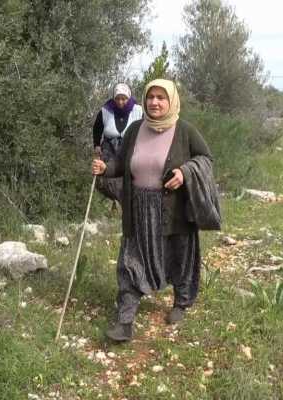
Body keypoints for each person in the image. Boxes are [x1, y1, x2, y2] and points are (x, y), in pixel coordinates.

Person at [91, 79, 219, 342]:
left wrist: (185, 172)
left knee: (180, 256)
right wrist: (106, 168)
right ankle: (125, 321)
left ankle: (181, 302)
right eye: (150, 97)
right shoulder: (136, 129)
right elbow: (121, 163)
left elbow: (206, 159)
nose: (155, 102)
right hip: (138, 209)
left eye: (161, 97)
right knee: (130, 262)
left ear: (172, 101)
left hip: (174, 209)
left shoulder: (185, 130)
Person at [92, 83, 143, 203]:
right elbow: (97, 127)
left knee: (127, 175)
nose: (120, 102)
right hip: (109, 148)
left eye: (124, 99)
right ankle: (115, 199)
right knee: (105, 175)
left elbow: (145, 128)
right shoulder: (106, 110)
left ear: (129, 97)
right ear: (114, 98)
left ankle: (125, 201)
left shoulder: (138, 110)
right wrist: (97, 145)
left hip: (129, 147)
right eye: (117, 98)